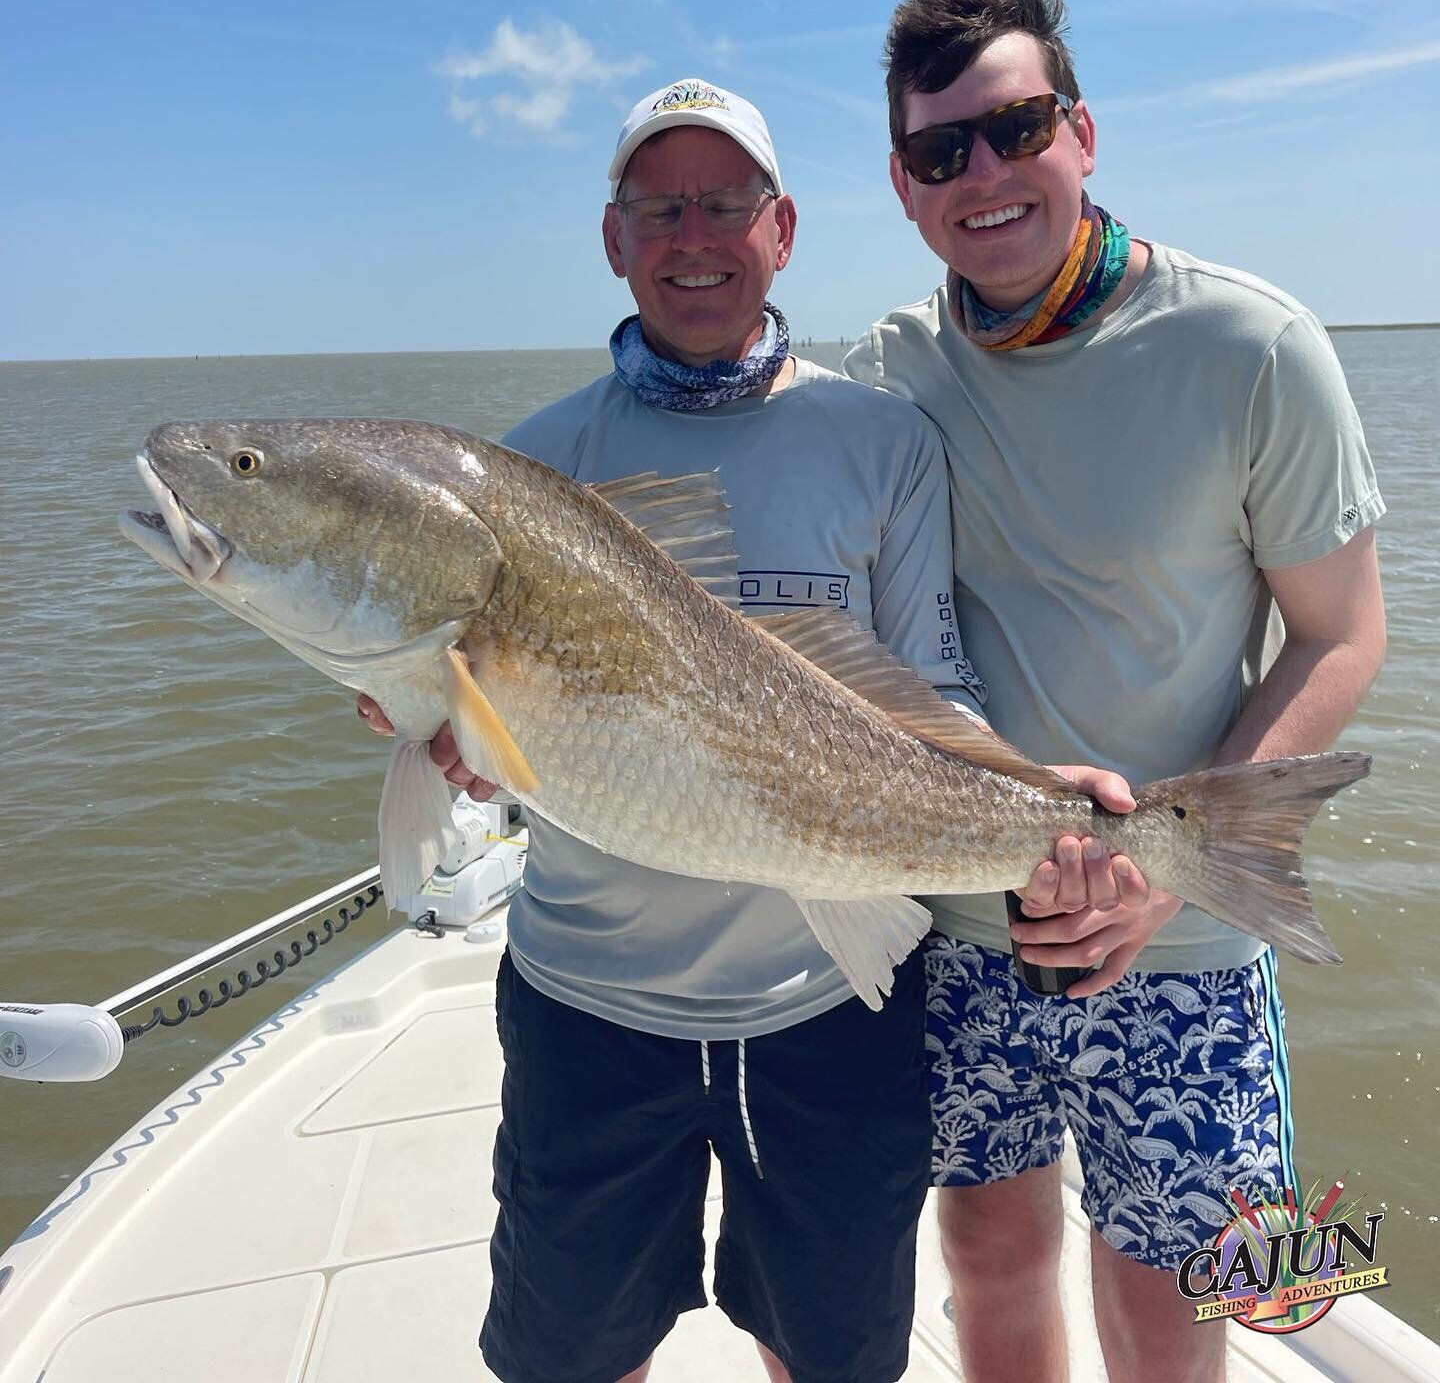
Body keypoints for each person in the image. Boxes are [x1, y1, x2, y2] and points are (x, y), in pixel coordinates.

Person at [362, 75, 1133, 1383]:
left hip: (827, 1005)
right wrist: (433, 723)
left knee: (829, 1355)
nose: (694, 235)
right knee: (569, 1357)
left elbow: (924, 685)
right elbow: (473, 740)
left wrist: (1027, 795)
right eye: (660, 209)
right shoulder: (528, 471)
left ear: (782, 229)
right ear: (613, 241)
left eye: (727, 203)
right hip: (587, 1006)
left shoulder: (880, 437)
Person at [845, 0, 1388, 1383]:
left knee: (1172, 1307)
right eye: (940, 151)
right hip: (967, 931)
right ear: (904, 189)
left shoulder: (1256, 346)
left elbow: (1341, 635)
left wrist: (1172, 864)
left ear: (1082, 132)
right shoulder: (888, 373)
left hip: (1189, 941)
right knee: (987, 1262)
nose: (984, 173)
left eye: (1014, 127)